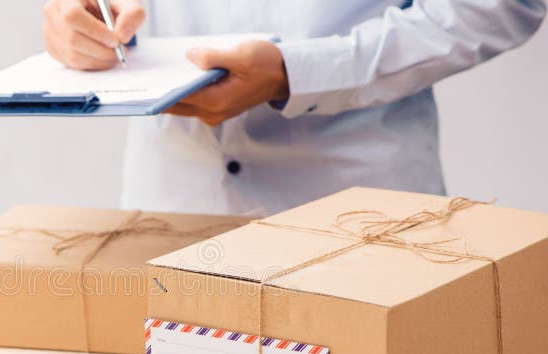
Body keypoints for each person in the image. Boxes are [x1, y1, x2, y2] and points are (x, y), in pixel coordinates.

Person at [43, 0, 546, 215]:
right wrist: (79, 17)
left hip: (351, 195)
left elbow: (495, 7)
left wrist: (300, 71)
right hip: (175, 191)